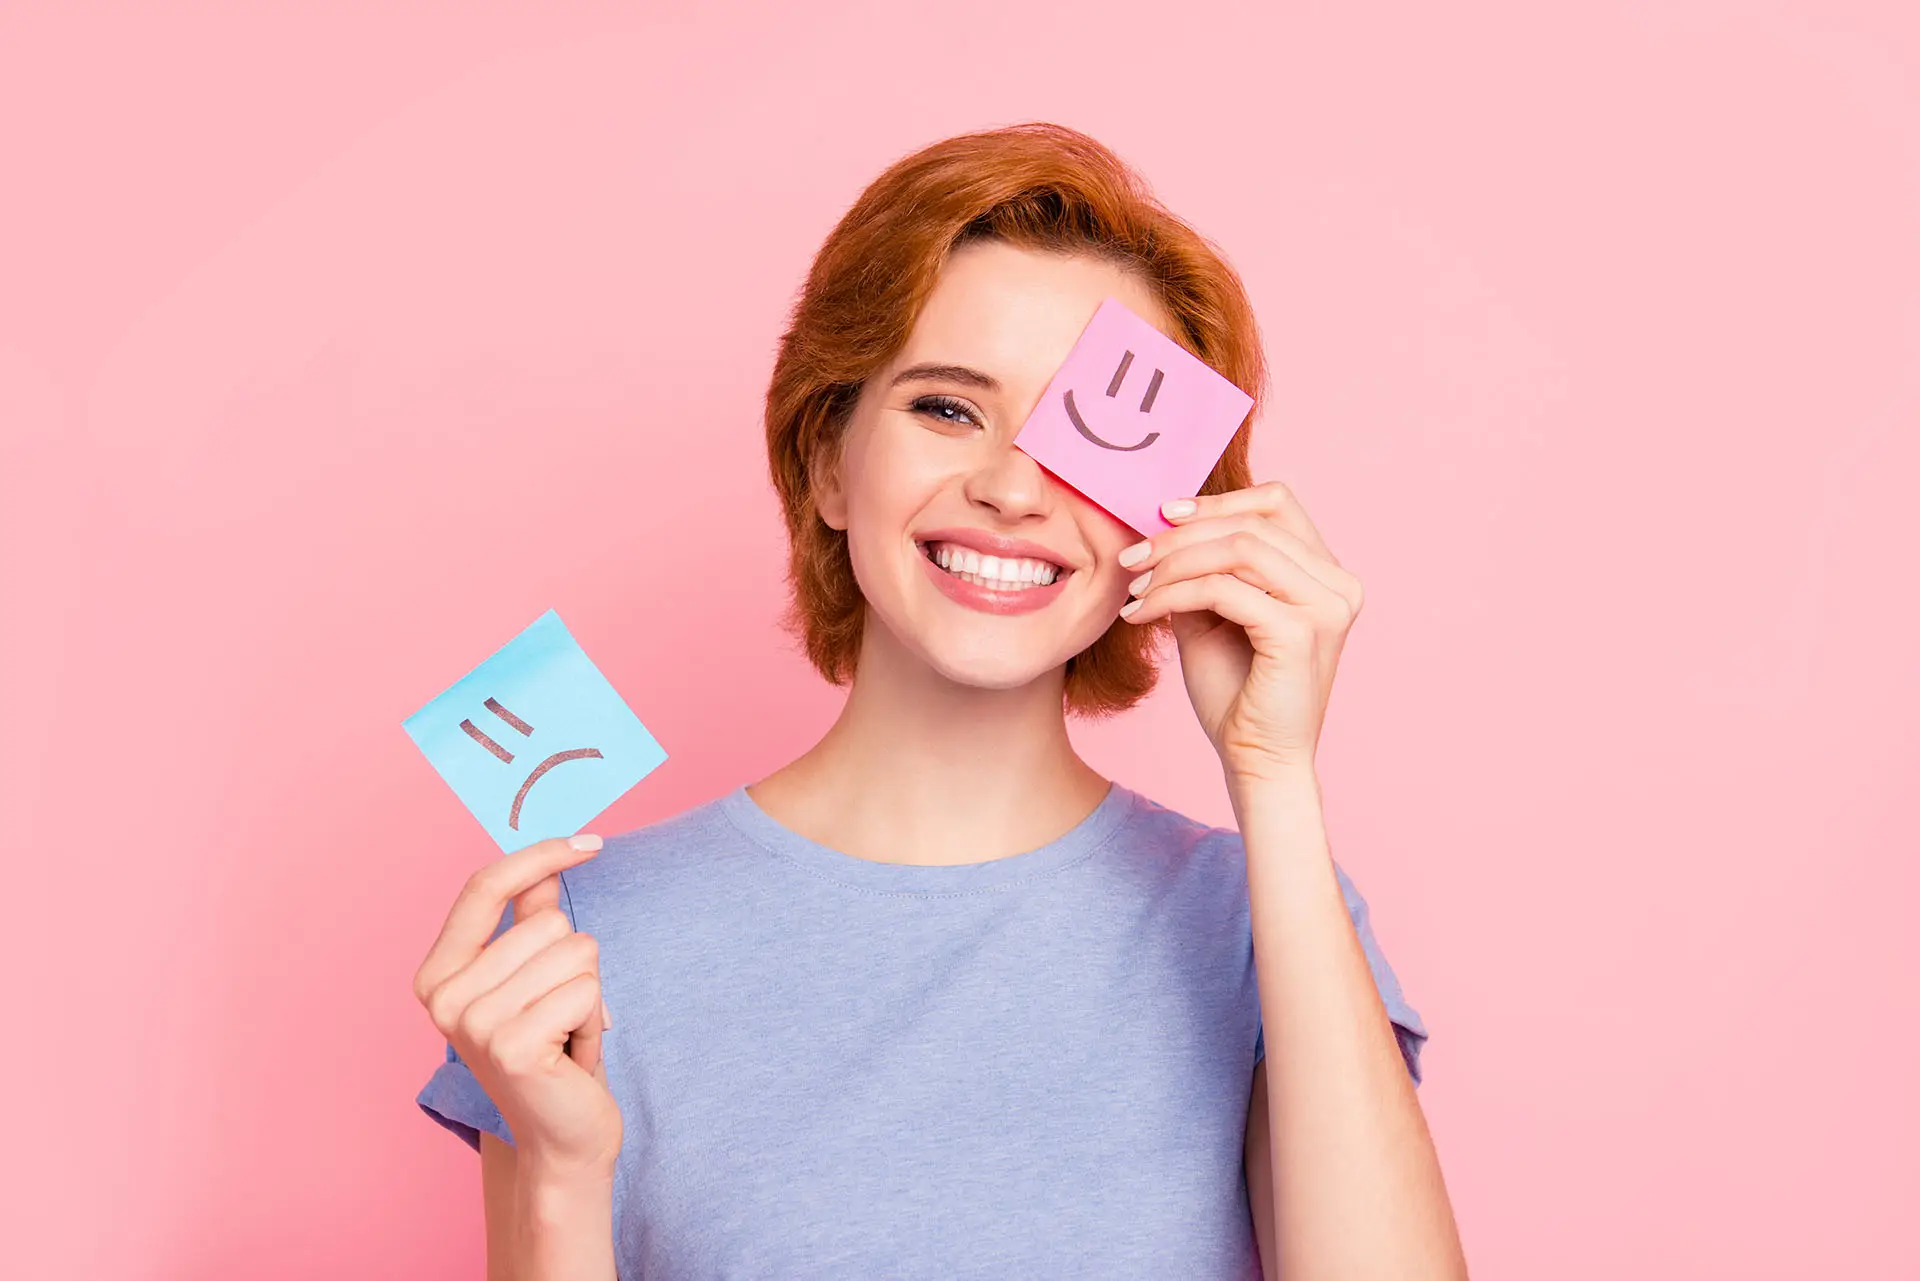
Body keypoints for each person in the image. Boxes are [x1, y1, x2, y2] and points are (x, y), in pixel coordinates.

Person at [411, 121, 1466, 1280]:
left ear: (1173, 514)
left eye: (1091, 438)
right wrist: (561, 1178)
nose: (1014, 488)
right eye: (948, 409)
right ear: (827, 463)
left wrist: (1273, 774)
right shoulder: (584, 937)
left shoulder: (1260, 916)